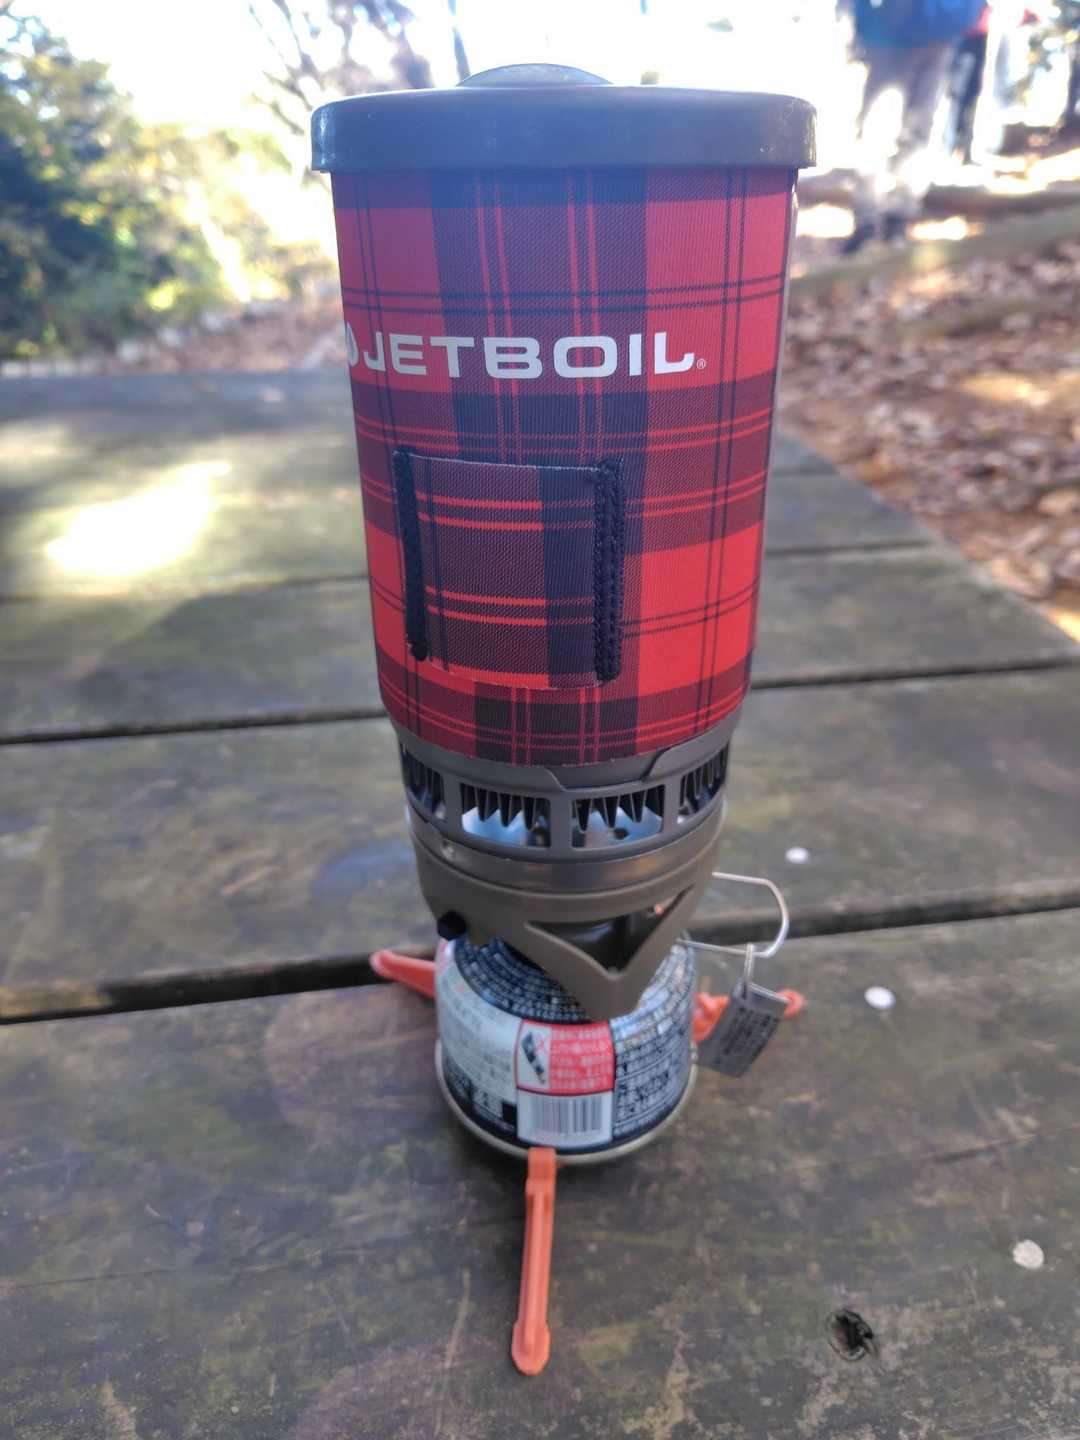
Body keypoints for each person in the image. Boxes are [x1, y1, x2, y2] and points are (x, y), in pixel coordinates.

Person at [845, 0, 987, 252]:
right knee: (900, 131)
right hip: (924, 30)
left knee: (890, 131)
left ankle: (881, 220)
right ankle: (887, 220)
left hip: (909, 30)